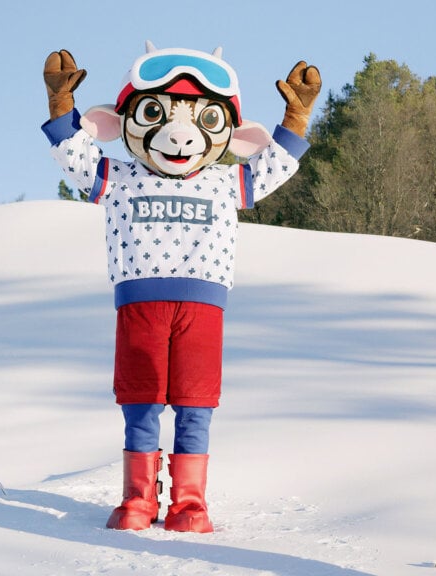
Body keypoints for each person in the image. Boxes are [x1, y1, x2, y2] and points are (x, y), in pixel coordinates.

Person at [41, 42, 320, 532]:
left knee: (196, 402)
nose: (179, 134)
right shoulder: (123, 177)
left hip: (203, 304)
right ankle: (138, 500)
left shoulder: (223, 181)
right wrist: (61, 106)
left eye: (202, 119)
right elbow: (79, 161)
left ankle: (189, 503)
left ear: (230, 132)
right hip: (139, 301)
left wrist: (295, 116)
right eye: (156, 113)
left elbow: (275, 167)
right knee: (141, 401)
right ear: (121, 120)